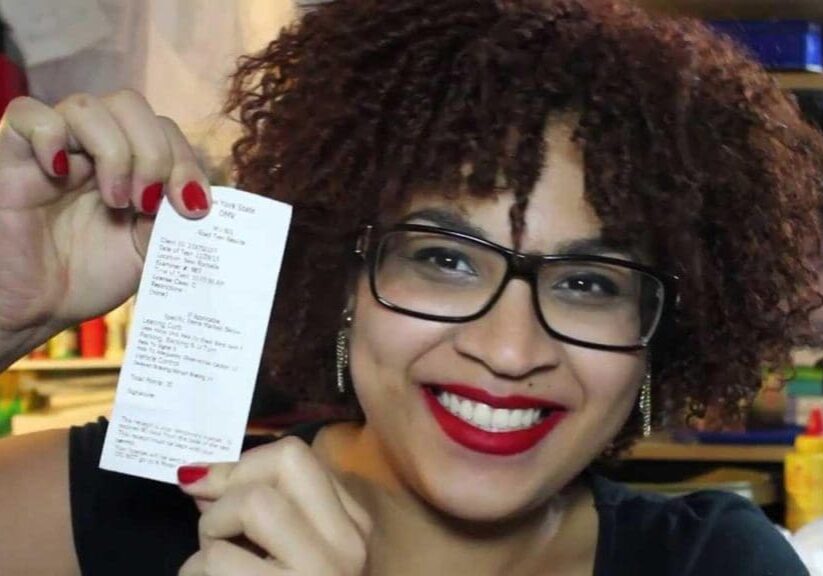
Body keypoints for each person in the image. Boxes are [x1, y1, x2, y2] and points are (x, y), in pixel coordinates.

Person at [0, 0, 819, 574]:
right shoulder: (117, 509)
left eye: (585, 282)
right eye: (446, 259)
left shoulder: (713, 562)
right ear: (342, 276)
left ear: (659, 335)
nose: (507, 350)